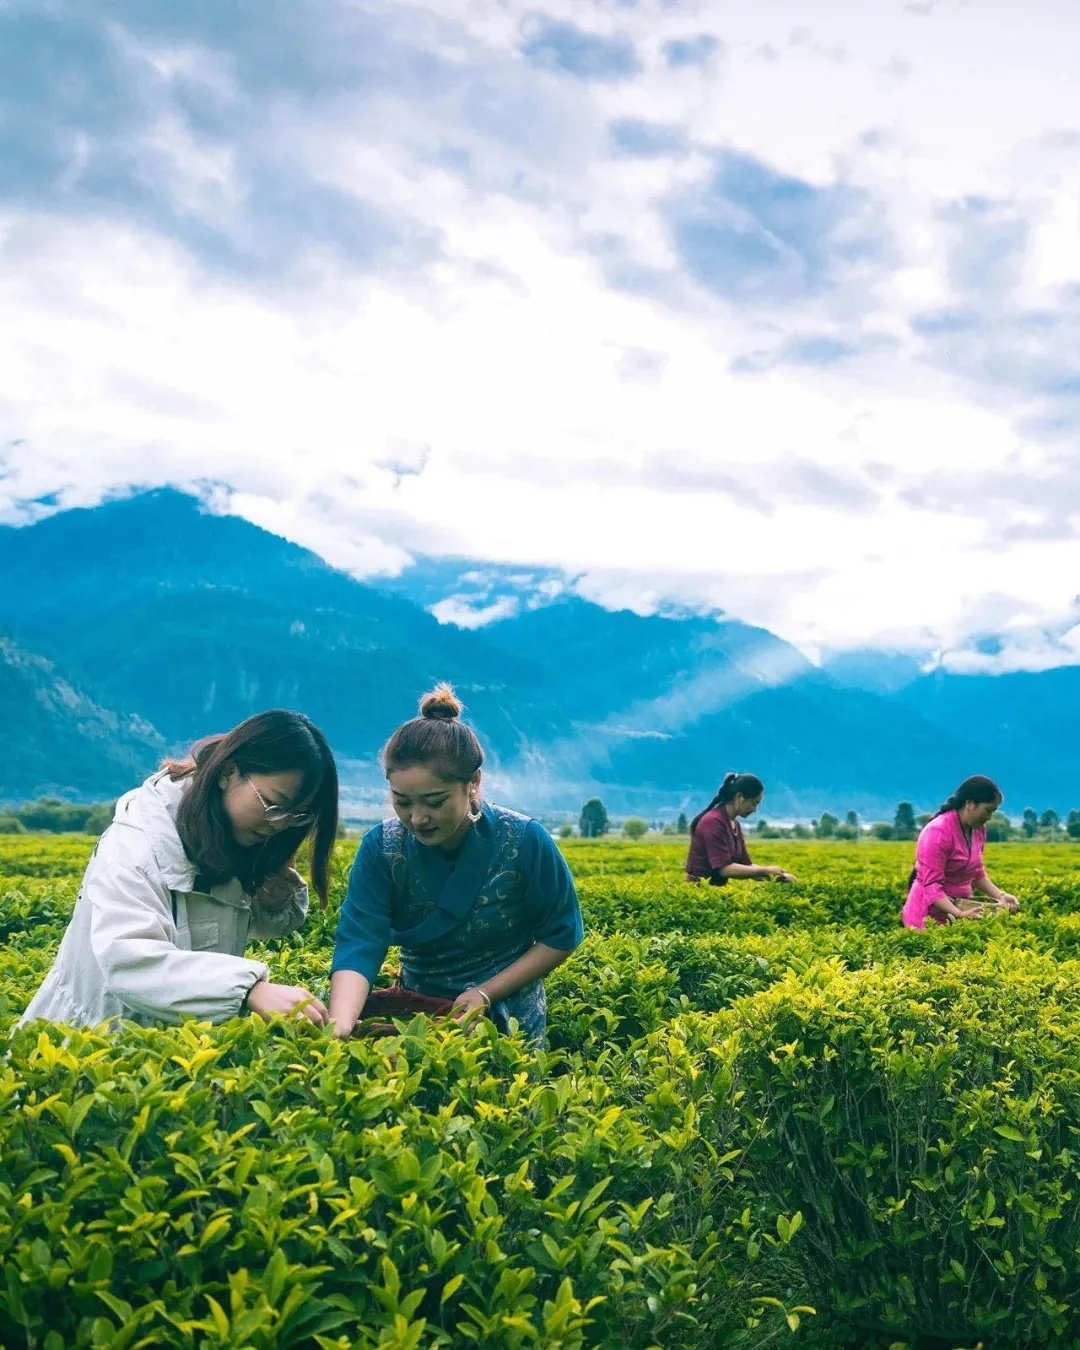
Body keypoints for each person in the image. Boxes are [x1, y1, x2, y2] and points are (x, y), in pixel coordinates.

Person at [18, 710, 338, 1030]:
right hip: (88, 1043)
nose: (279, 824)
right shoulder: (136, 847)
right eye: (273, 804)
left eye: (295, 816)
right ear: (228, 772)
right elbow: (131, 963)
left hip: (170, 1047)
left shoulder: (228, 833)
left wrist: (271, 900)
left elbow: (219, 924)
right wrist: (249, 990)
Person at [329, 684, 583, 1047]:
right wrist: (340, 1022)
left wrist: (486, 993)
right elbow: (360, 940)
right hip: (416, 1015)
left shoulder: (525, 840)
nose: (417, 819)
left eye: (434, 802)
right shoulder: (381, 848)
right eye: (402, 802)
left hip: (508, 1016)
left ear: (473, 783)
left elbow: (561, 935)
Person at [901, 775, 1020, 929]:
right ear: (970, 804)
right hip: (927, 915)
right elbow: (931, 885)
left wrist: (1001, 895)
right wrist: (958, 914)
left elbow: (976, 873)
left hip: (960, 908)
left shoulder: (978, 829)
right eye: (988, 810)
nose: (990, 817)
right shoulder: (937, 832)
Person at [685, 772, 797, 885]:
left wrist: (778, 876)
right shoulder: (713, 822)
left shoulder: (734, 824)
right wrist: (766, 870)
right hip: (698, 890)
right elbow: (724, 869)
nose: (754, 810)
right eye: (754, 803)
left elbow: (747, 867)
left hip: (716, 892)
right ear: (740, 797)